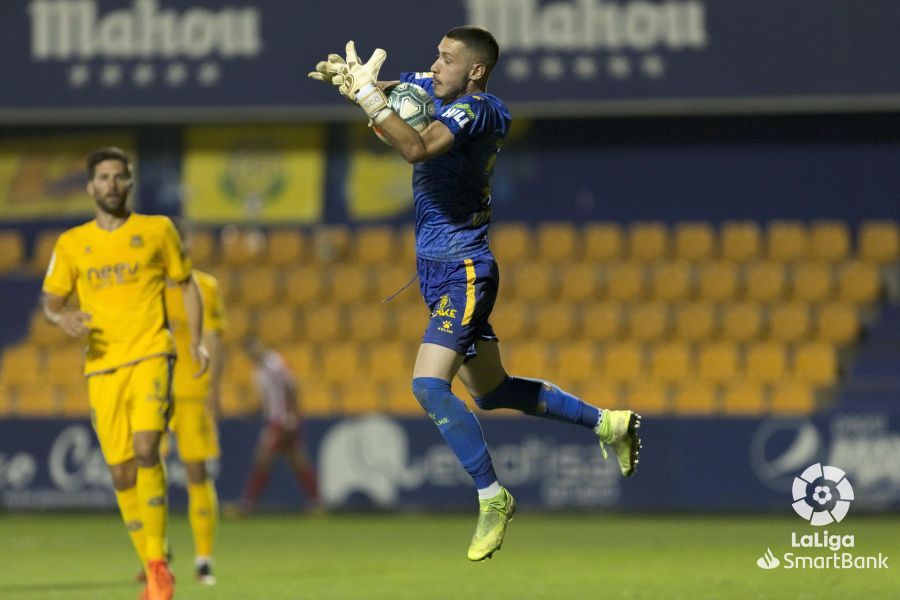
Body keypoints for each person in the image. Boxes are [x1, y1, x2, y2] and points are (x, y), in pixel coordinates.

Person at [309, 26, 642, 561]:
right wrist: (356, 83)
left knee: (428, 386)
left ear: (476, 71)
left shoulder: (480, 111)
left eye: (446, 59)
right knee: (492, 392)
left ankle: (493, 496)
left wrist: (370, 99)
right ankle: (608, 423)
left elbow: (416, 148)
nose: (434, 66)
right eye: (435, 55)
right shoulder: (436, 87)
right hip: (439, 272)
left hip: (464, 270)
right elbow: (404, 89)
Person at [42, 147, 208, 600]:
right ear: (90, 187)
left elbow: (185, 281)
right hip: (101, 365)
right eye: (104, 177)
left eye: (119, 176)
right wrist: (62, 319)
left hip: (153, 353)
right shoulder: (72, 243)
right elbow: (51, 301)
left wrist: (194, 338)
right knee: (120, 474)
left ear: (130, 183)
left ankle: (157, 570)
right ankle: (155, 558)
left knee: (145, 448)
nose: (111, 184)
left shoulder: (157, 230)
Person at [160, 219, 226, 585]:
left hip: (192, 392)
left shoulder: (205, 286)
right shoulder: (149, 285)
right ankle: (156, 553)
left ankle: (203, 559)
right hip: (154, 391)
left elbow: (215, 339)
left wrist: (214, 389)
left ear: (188, 243)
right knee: (148, 471)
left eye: (181, 240)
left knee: (196, 473)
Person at [236, 337, 320, 515]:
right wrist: (252, 410)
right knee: (297, 460)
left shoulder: (276, 363)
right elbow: (267, 400)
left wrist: (292, 416)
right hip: (273, 419)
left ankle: (248, 504)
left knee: (263, 458)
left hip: (282, 420)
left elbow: (292, 388)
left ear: (260, 345)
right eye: (248, 352)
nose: (252, 354)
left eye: (253, 348)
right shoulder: (257, 372)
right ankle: (317, 502)